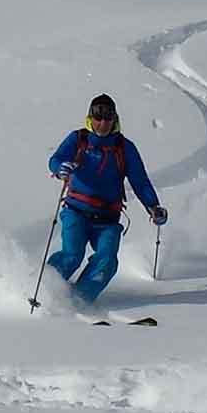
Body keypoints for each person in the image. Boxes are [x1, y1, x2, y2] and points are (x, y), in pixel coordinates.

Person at [45, 94, 166, 304]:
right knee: (72, 255)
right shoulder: (78, 139)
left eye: (108, 118)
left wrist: (153, 207)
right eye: (98, 117)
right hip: (76, 212)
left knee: (107, 261)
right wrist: (60, 169)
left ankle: (78, 301)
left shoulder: (125, 148)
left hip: (108, 218)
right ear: (89, 118)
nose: (102, 123)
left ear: (115, 119)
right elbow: (56, 159)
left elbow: (140, 181)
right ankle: (43, 290)